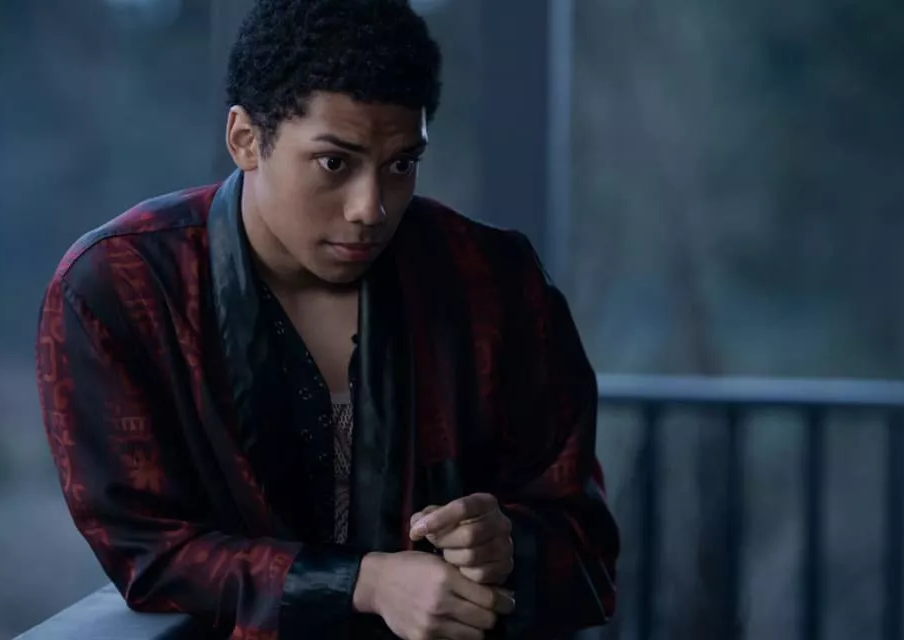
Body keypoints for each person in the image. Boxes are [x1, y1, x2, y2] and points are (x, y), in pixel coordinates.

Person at [34, 0, 619, 638]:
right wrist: (362, 582)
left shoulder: (495, 282)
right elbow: (145, 550)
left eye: (401, 165)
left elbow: (585, 542)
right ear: (245, 140)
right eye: (334, 163)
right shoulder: (121, 288)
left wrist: (507, 544)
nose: (371, 208)